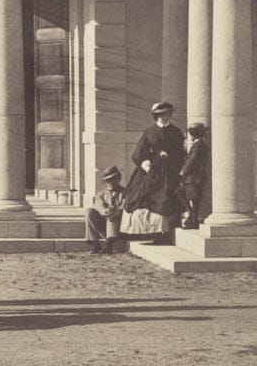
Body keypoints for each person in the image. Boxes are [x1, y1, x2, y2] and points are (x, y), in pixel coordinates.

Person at [121, 101, 186, 241]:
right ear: (156, 116)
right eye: (161, 115)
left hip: (171, 169)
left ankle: (165, 233)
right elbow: (138, 152)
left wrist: (172, 157)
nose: (165, 117)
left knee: (167, 198)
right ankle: (149, 233)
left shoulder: (176, 132)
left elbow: (181, 152)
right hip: (153, 169)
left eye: (168, 114)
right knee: (139, 195)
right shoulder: (149, 132)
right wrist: (146, 162)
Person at [86, 166, 125, 254]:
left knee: (113, 213)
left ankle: (109, 244)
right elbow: (98, 204)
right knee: (89, 211)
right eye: (108, 180)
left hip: (120, 228)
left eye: (114, 179)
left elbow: (126, 206)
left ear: (119, 178)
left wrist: (117, 211)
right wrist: (104, 211)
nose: (111, 182)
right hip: (104, 226)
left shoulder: (125, 192)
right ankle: (95, 243)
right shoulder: (101, 194)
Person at [178, 123, 209, 229]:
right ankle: (192, 216)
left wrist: (182, 172)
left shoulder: (199, 145)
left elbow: (191, 161)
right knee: (188, 197)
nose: (188, 136)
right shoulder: (199, 144)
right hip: (192, 178)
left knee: (193, 199)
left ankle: (193, 220)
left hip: (193, 178)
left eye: (189, 134)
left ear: (193, 134)